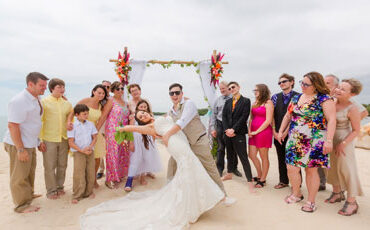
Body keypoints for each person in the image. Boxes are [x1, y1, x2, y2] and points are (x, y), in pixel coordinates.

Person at [80, 110, 226, 229]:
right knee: (189, 168)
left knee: (192, 168)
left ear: (148, 112)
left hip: (181, 143)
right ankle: (193, 204)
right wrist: (121, 128)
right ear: (142, 121)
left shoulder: (162, 117)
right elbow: (133, 128)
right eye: (140, 117)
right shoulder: (150, 128)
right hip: (176, 146)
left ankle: (198, 200)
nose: (143, 116)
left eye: (143, 113)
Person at [278, 72, 336, 212]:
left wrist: (329, 140)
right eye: (301, 83)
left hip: (315, 139)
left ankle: (311, 202)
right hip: (295, 138)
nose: (302, 86)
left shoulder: (324, 99)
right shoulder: (296, 97)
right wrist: (281, 131)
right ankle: (297, 193)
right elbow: (288, 115)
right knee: (291, 168)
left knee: (311, 171)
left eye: (306, 84)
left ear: (315, 85)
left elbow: (332, 120)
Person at [164, 83, 226, 195]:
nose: (174, 95)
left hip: (199, 140)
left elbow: (182, 122)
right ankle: (170, 192)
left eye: (177, 92)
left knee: (209, 167)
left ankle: (222, 194)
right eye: (171, 93)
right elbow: (166, 122)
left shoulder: (189, 104)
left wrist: (167, 135)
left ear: (182, 93)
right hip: (184, 143)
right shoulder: (170, 110)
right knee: (172, 164)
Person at [3, 72, 48, 213]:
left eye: (45, 86)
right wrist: (20, 149)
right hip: (19, 144)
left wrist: (38, 141)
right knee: (19, 175)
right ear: (30, 84)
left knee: (29, 171)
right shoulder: (19, 101)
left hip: (30, 142)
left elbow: (33, 123)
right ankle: (21, 205)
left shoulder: (36, 98)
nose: (44, 88)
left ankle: (28, 194)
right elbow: (13, 126)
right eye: (41, 85)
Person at [326, 79, 363, 216]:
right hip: (331, 139)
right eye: (338, 87)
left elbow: (356, 130)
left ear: (352, 94)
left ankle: (352, 202)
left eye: (343, 89)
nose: (338, 90)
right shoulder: (332, 102)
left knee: (347, 170)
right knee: (332, 168)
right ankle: (337, 193)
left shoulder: (352, 108)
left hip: (344, 140)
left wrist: (343, 143)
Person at [68, 84, 108, 188]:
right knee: (84, 157)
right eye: (99, 92)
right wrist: (68, 122)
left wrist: (95, 132)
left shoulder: (101, 105)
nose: (101, 95)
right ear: (93, 91)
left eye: (103, 93)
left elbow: (101, 120)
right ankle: (83, 182)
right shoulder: (85, 100)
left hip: (94, 132)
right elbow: (73, 112)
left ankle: (93, 179)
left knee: (97, 157)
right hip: (82, 132)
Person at [40, 78, 72, 199]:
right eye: (59, 87)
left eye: (63, 87)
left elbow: (70, 118)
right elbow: (40, 122)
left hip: (63, 138)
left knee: (62, 164)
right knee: (49, 166)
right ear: (52, 88)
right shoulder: (44, 102)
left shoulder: (67, 104)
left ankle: (60, 187)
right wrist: (40, 140)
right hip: (49, 138)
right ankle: (51, 190)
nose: (62, 89)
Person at [96, 81, 131, 189]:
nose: (120, 90)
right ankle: (109, 179)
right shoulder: (111, 101)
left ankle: (119, 176)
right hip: (112, 130)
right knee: (112, 154)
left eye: (122, 88)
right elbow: (103, 116)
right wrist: (96, 130)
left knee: (122, 154)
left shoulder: (126, 103)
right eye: (118, 89)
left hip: (124, 130)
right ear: (113, 90)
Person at [222, 82, 255, 191]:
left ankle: (250, 181)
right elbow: (224, 117)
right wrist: (227, 130)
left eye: (233, 87)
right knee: (230, 154)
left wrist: (234, 129)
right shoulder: (227, 102)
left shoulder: (246, 101)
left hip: (239, 133)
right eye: (230, 88)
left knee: (243, 157)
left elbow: (244, 117)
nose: (231, 89)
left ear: (238, 87)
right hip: (228, 133)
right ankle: (229, 173)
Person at [124, 100, 162, 191]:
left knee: (146, 158)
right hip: (136, 141)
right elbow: (130, 131)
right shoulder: (134, 117)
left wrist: (153, 141)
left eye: (145, 107)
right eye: (142, 107)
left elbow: (153, 130)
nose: (144, 108)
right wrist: (131, 143)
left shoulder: (149, 117)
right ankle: (129, 180)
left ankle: (143, 176)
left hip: (147, 141)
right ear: (137, 108)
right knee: (135, 159)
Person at [271, 74, 299, 189]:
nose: (281, 84)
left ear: (292, 82)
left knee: (294, 159)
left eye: (284, 81)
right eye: (280, 82)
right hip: (277, 132)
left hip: (293, 133)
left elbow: (295, 116)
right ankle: (283, 181)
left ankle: (296, 183)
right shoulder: (275, 97)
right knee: (280, 157)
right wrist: (275, 132)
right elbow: (271, 115)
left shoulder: (298, 96)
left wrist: (286, 131)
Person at [67, 104, 98, 204]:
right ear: (77, 115)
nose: (86, 115)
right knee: (79, 173)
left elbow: (95, 137)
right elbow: (71, 142)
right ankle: (77, 195)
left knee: (90, 172)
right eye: (84, 114)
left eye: (87, 113)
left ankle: (88, 192)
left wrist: (90, 147)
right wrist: (81, 150)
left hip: (90, 151)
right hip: (79, 152)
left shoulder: (91, 124)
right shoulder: (73, 126)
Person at [209, 81, 241, 177]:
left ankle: (234, 168)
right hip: (220, 125)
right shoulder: (217, 100)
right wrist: (212, 129)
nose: (222, 90)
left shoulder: (236, 99)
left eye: (224, 88)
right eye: (220, 89)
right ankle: (219, 168)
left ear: (229, 88)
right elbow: (213, 116)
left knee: (234, 148)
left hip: (232, 126)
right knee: (220, 148)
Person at [248, 84, 273, 188]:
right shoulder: (254, 103)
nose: (255, 92)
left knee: (264, 157)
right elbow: (251, 118)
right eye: (254, 90)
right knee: (251, 155)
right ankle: (259, 175)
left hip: (263, 132)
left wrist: (256, 131)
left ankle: (263, 179)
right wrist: (249, 130)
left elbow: (268, 120)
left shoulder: (268, 102)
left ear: (263, 91)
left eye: (257, 90)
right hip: (252, 132)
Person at [97, 80, 112, 180]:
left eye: (107, 87)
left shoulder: (112, 99)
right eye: (104, 86)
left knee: (109, 151)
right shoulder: (97, 98)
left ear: (110, 89)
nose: (106, 88)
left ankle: (110, 171)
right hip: (99, 128)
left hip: (110, 129)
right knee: (100, 152)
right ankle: (101, 170)